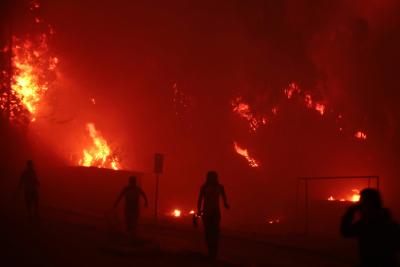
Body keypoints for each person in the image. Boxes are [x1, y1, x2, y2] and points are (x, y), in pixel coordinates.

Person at [340, 188, 399, 267]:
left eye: (361, 201)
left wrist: (350, 212)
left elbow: (345, 231)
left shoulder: (365, 225)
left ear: (368, 203)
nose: (359, 204)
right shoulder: (389, 223)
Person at [197, 171, 230, 259]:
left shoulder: (220, 187)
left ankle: (214, 252)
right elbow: (200, 199)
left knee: (215, 231)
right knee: (208, 232)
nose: (212, 178)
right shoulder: (204, 187)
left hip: (215, 212)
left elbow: (224, 196)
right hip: (207, 212)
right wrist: (199, 210)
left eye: (214, 177)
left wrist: (226, 204)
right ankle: (210, 250)